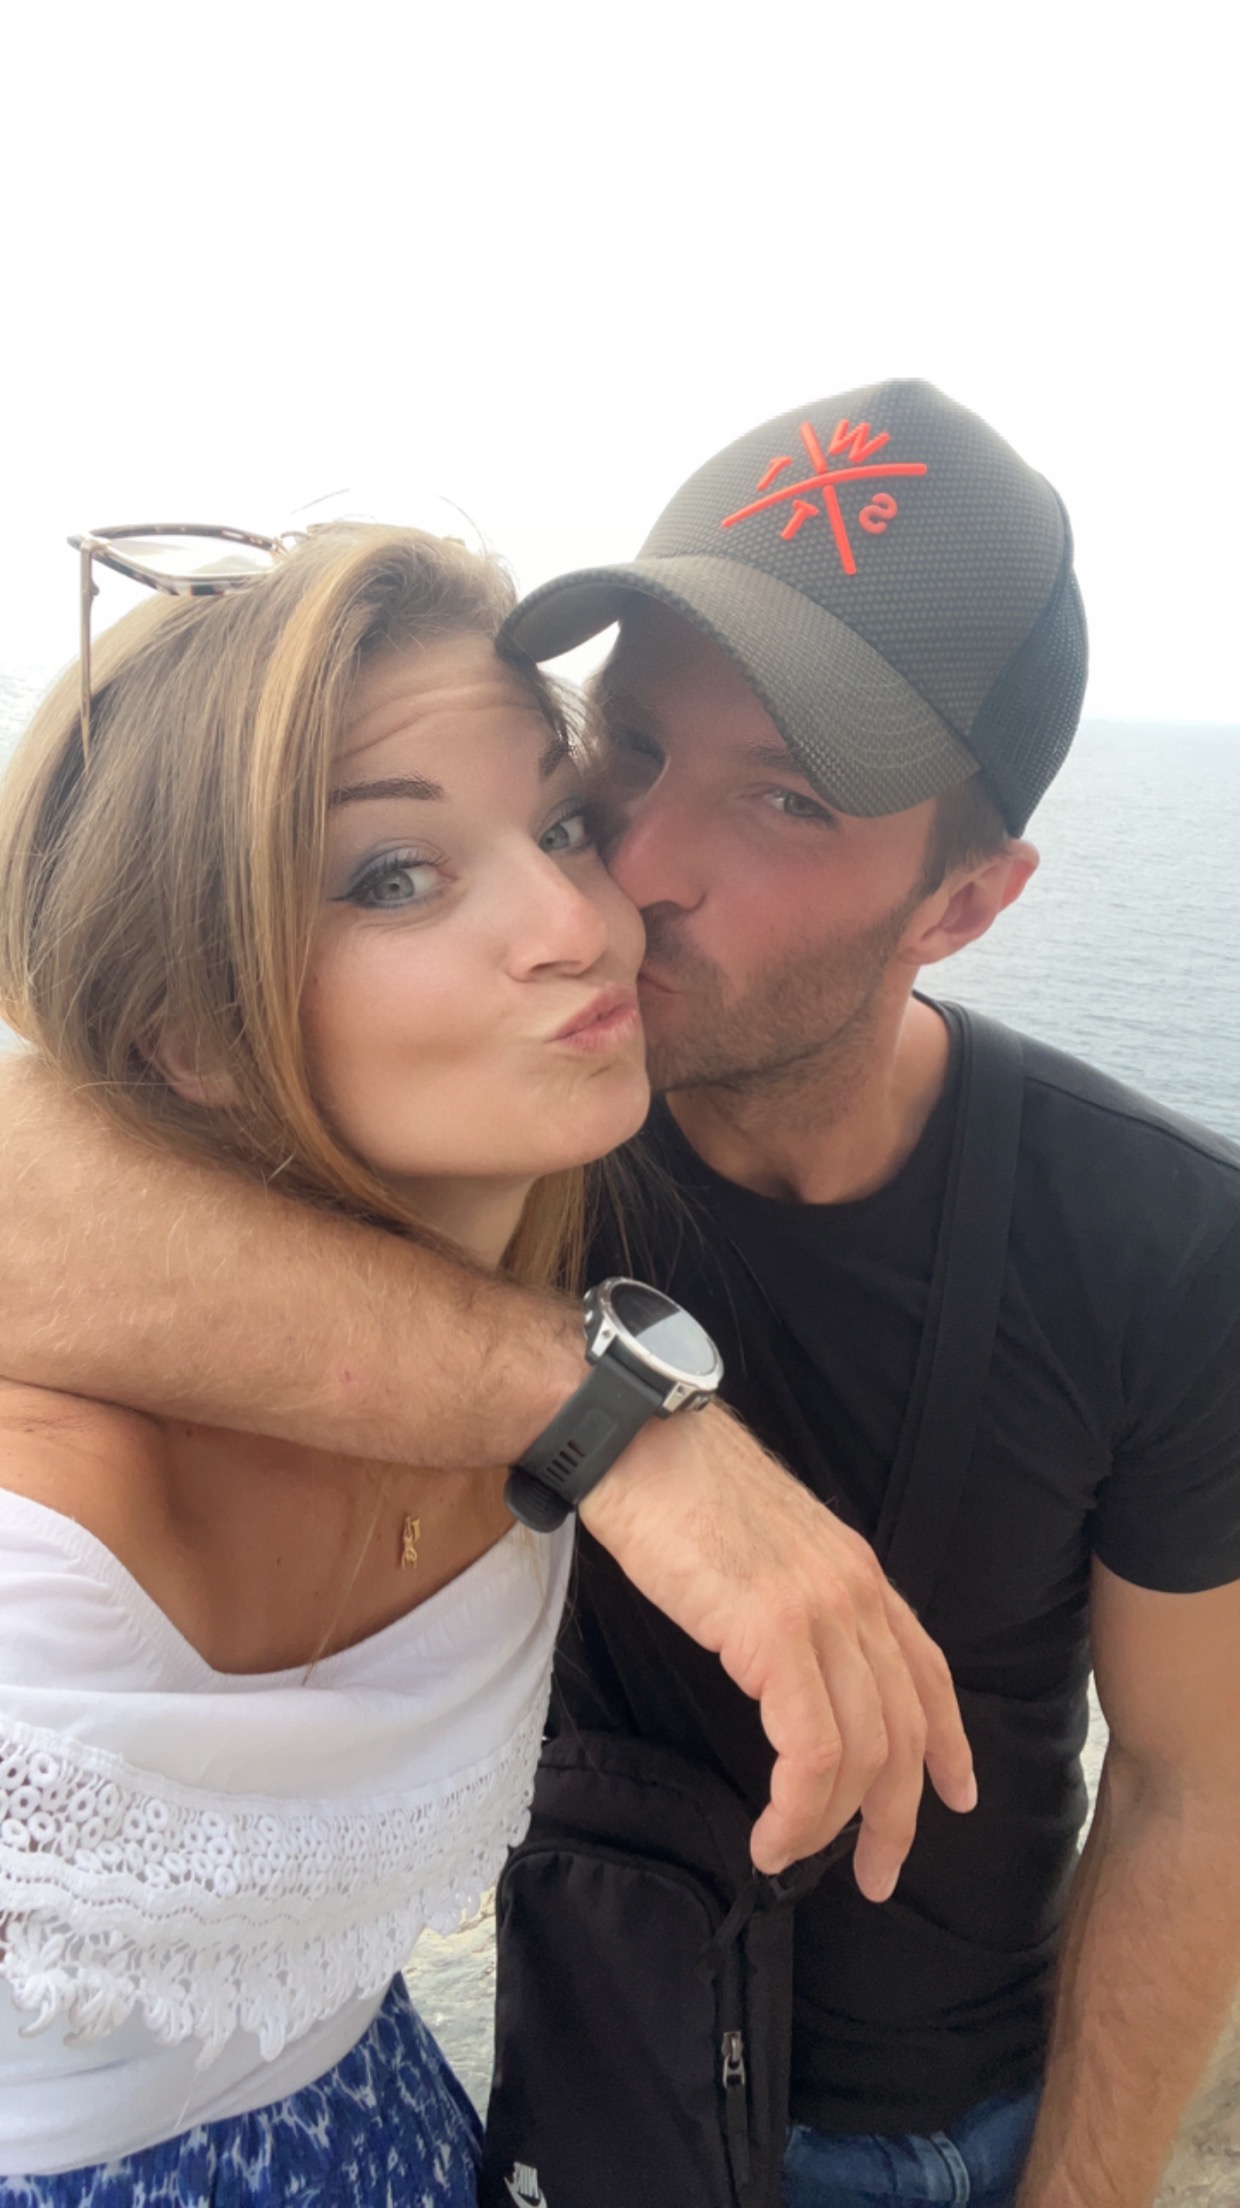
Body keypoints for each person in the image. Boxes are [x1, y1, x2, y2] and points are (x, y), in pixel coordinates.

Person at [0, 379, 1236, 2207]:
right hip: (588, 2085)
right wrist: (616, 1421)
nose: (628, 882)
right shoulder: (526, 1129)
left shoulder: (1152, 1235)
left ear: (965, 905)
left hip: (947, 2123)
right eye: (624, 760)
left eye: (786, 801)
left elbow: (1190, 1786)